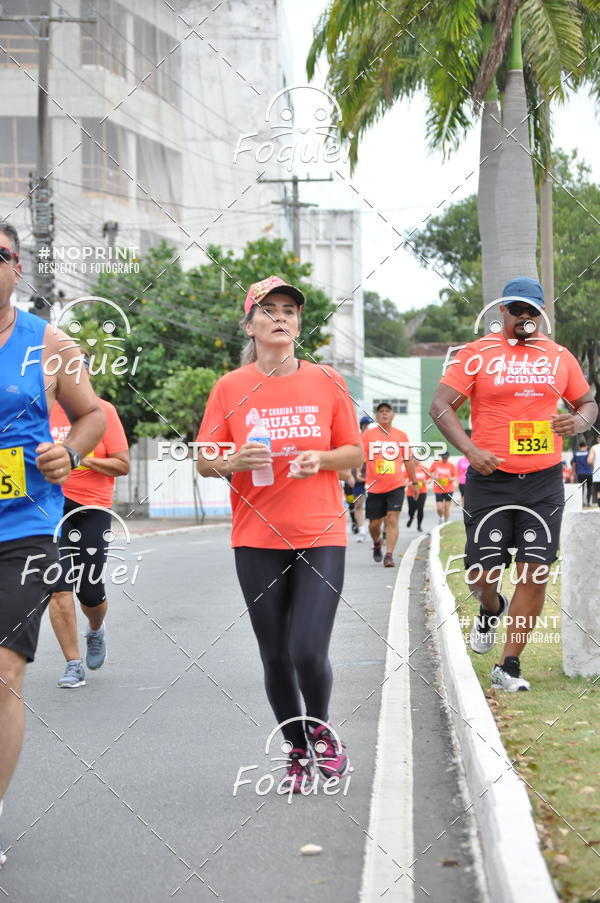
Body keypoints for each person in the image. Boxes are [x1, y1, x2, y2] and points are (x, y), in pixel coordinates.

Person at [196, 275, 362, 793]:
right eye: (268, 310)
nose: (281, 317)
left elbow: (355, 452)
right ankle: (296, 750)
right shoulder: (230, 387)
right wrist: (233, 459)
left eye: (289, 310)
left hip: (320, 533)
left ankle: (323, 733)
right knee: (275, 655)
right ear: (250, 325)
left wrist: (322, 459)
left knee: (308, 650)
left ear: (298, 322)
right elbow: (204, 458)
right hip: (256, 539)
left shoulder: (326, 380)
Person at [430, 277, 596, 692]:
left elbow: (588, 403)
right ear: (502, 310)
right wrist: (469, 451)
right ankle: (491, 607)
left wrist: (578, 422)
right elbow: (440, 406)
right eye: (518, 309)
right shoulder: (477, 354)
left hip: (543, 481)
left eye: (533, 311)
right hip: (490, 480)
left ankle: (509, 665)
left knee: (536, 570)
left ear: (541, 314)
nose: (525, 317)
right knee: (482, 573)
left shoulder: (558, 356)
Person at [0, 224, 104, 866]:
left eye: (0, 254)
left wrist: (68, 450)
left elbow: (91, 413)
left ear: (17, 268)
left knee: (5, 672)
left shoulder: (48, 343)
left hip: (26, 527)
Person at [49, 357, 129, 688]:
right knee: (57, 587)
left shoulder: (102, 411)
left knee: (91, 592)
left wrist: (81, 458)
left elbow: (122, 464)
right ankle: (72, 663)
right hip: (52, 507)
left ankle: (95, 629)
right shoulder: (41, 412)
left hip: (93, 508)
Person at [362, 402, 418, 567]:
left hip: (396, 485)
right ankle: (377, 541)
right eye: (381, 412)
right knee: (374, 524)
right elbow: (360, 455)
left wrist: (414, 482)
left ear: (393, 415)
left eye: (387, 411)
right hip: (374, 486)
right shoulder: (367, 435)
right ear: (377, 416)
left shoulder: (401, 436)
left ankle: (389, 555)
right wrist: (356, 470)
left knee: (393, 519)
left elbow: (408, 460)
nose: (384, 414)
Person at [429, 451, 457, 524]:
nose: (444, 459)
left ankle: (445, 523)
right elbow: (429, 473)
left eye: (446, 458)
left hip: (449, 489)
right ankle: (440, 517)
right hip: (438, 489)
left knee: (447, 507)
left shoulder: (451, 465)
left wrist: (451, 479)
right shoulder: (436, 464)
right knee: (439, 508)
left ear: (448, 458)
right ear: (441, 457)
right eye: (443, 458)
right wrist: (435, 477)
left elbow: (455, 477)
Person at [406, 462, 429, 532]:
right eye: (414, 458)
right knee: (411, 509)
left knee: (420, 508)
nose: (416, 460)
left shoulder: (424, 468)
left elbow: (430, 479)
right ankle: (411, 517)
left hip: (422, 492)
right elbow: (403, 479)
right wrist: (409, 483)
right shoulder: (409, 468)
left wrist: (426, 481)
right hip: (411, 492)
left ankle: (419, 525)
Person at [571, 440, 592, 505]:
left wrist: (573, 472)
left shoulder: (576, 453)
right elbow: (591, 461)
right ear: (585, 446)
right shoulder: (589, 453)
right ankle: (588, 503)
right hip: (589, 472)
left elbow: (574, 464)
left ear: (579, 447)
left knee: (581, 488)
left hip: (580, 473)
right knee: (589, 487)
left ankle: (582, 503)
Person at [588, 440, 600, 506]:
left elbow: (589, 460)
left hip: (597, 474)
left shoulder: (594, 448)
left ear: (598, 439)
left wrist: (594, 466)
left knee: (599, 493)